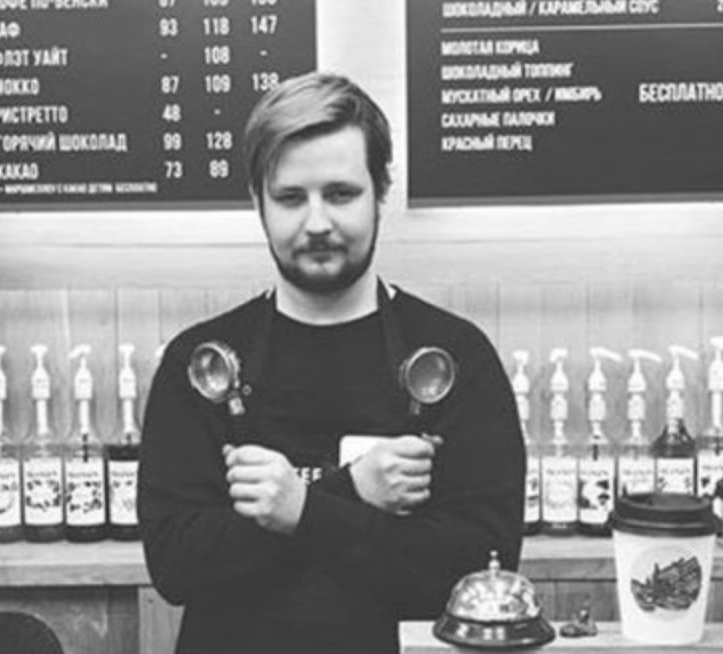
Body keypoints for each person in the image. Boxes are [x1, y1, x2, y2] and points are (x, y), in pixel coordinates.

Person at [138, 72, 525, 654]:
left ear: (381, 193)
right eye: (291, 198)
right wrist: (353, 490)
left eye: (341, 194)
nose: (317, 223)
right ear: (257, 202)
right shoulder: (200, 363)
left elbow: (478, 567)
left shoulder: (456, 356)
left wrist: (297, 509)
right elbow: (177, 566)